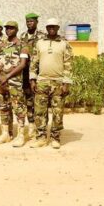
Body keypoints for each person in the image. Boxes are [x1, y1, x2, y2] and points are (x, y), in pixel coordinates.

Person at [29, 18, 73, 149]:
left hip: (58, 82)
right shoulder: (39, 43)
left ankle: (55, 138)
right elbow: (34, 63)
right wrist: (32, 80)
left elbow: (69, 64)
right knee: (39, 112)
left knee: (57, 112)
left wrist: (66, 83)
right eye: (49, 27)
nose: (51, 29)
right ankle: (41, 138)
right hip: (42, 81)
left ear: (58, 28)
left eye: (54, 27)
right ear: (46, 28)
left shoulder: (64, 44)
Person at [0, 21, 30, 147]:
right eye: (7, 28)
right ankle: (5, 134)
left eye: (11, 28)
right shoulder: (2, 45)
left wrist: (7, 76)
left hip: (15, 82)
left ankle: (20, 135)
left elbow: (23, 64)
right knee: (4, 108)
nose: (8, 30)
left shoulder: (22, 45)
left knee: (18, 108)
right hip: (2, 82)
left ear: (17, 30)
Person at [20, 12, 45, 140]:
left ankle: (39, 127)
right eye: (28, 21)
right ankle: (31, 126)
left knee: (39, 100)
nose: (29, 23)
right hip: (25, 73)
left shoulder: (42, 36)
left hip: (38, 72)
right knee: (28, 100)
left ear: (36, 22)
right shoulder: (23, 36)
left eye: (32, 21)